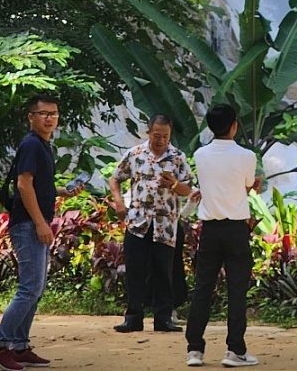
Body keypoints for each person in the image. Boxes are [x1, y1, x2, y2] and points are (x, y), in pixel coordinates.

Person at [0, 94, 84, 371]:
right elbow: (24, 185)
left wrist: (63, 191)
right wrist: (41, 223)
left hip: (32, 222)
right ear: (31, 117)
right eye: (43, 113)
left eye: (53, 113)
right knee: (29, 289)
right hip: (28, 225)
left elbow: (39, 186)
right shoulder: (31, 144)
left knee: (35, 289)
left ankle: (19, 345)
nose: (49, 118)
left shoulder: (42, 146)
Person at [185, 104, 261, 368]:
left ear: (210, 127)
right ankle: (235, 350)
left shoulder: (200, 154)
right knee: (237, 290)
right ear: (234, 125)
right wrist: (252, 186)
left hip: (210, 230)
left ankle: (195, 349)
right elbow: (248, 185)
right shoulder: (246, 156)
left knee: (203, 288)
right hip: (236, 229)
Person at [110, 114, 193, 333]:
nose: (161, 140)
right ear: (149, 133)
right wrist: (119, 202)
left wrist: (174, 184)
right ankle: (133, 317)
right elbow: (115, 177)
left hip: (165, 225)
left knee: (164, 271)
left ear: (170, 134)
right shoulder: (136, 154)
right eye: (157, 136)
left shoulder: (177, 157)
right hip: (138, 222)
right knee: (135, 269)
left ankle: (163, 318)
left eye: (165, 136)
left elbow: (188, 189)